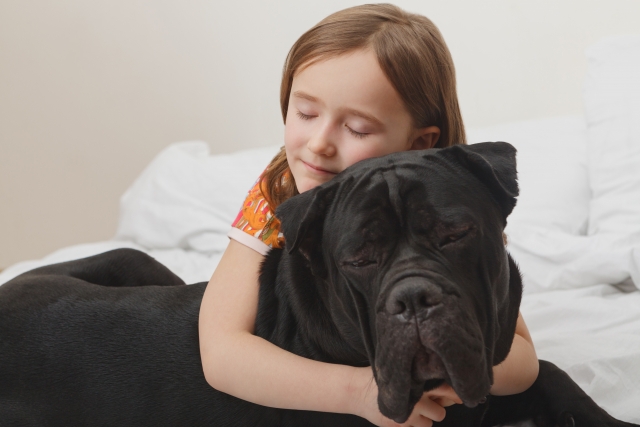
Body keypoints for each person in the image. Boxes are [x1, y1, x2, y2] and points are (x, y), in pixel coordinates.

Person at [198, 4, 539, 427]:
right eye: (305, 113)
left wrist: (447, 358)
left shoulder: (453, 204)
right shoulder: (276, 193)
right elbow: (221, 351)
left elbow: (522, 357)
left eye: (357, 128)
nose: (319, 143)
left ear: (417, 144)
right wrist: (360, 392)